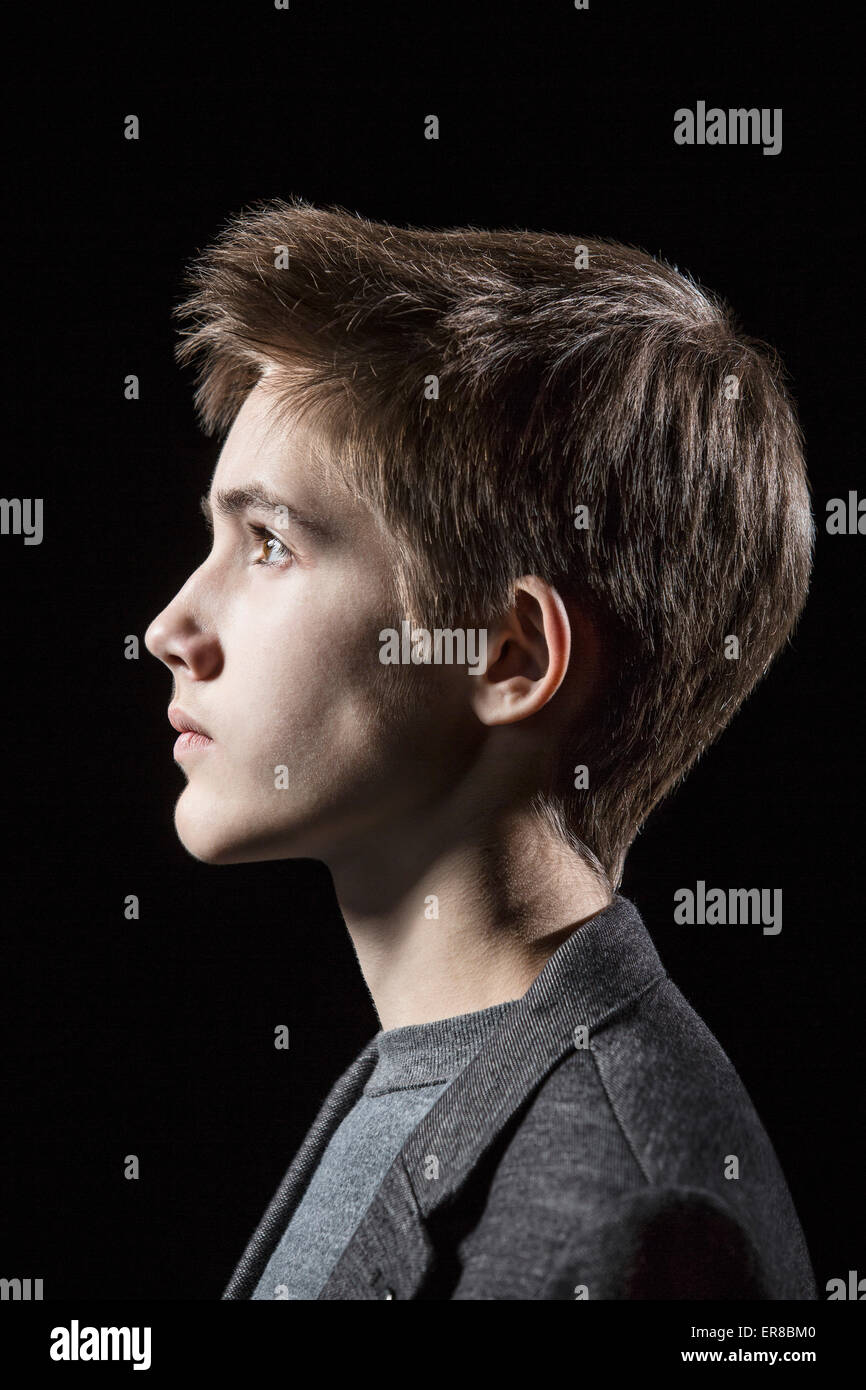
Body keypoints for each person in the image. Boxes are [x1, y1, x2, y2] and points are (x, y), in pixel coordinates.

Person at [145, 197, 816, 1299]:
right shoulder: (420, 1074)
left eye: (268, 543)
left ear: (508, 655)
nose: (170, 629)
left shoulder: (628, 1218)